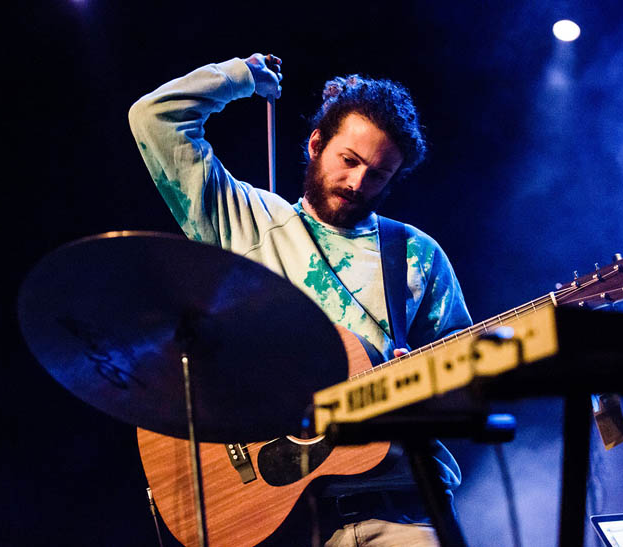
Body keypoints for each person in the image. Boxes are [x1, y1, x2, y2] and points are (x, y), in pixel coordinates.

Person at [129, 53, 473, 546]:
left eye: (377, 175)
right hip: (280, 519)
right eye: (349, 161)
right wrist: (240, 78)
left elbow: (468, 387)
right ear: (316, 145)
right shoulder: (246, 219)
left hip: (401, 511)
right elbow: (153, 119)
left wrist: (421, 391)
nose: (358, 183)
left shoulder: (416, 257)